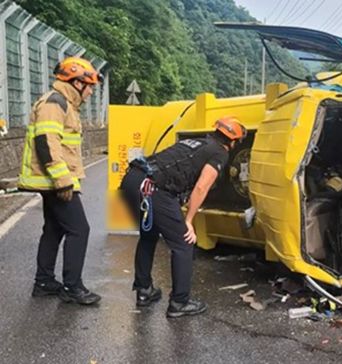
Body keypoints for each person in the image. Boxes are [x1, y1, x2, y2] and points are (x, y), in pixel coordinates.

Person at [119, 117, 246, 318]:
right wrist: (188, 221)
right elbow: (202, 187)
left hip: (133, 179)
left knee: (149, 235)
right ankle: (180, 302)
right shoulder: (219, 152)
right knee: (183, 243)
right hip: (154, 188)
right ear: (233, 141)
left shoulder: (195, 142)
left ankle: (144, 291)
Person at [18, 57, 103, 305]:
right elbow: (46, 141)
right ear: (76, 83)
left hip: (54, 180)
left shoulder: (64, 103)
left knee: (54, 229)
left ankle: (44, 282)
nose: (90, 92)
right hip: (56, 181)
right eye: (88, 86)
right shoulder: (55, 103)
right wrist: (62, 180)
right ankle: (72, 287)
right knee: (80, 229)